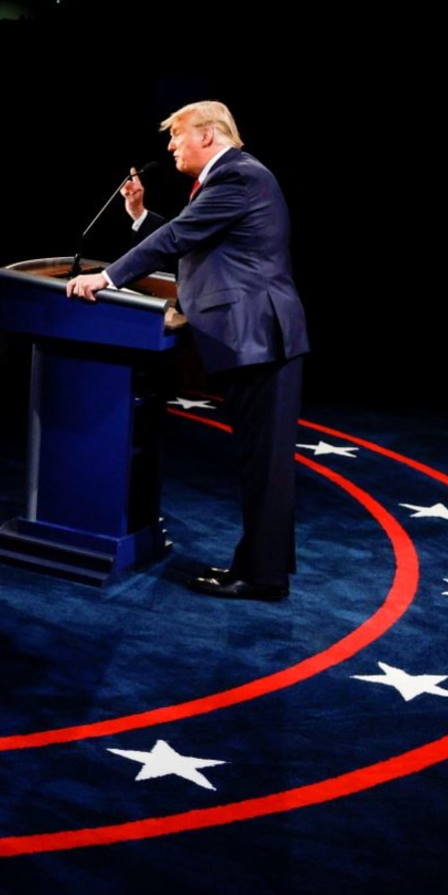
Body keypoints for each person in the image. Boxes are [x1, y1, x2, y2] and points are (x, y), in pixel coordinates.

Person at [66, 101, 308, 601]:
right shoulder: (232, 181)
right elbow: (195, 236)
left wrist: (107, 276)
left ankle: (262, 577)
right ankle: (262, 567)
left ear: (209, 135)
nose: (172, 146)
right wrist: (137, 216)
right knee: (261, 462)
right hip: (257, 338)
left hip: (260, 337)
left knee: (264, 465)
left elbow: (180, 235)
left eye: (177, 136)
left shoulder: (237, 177)